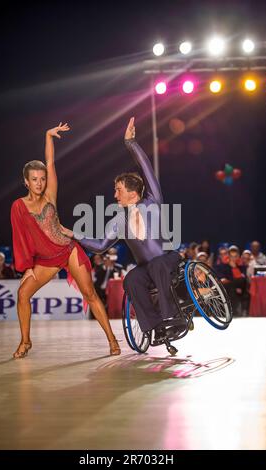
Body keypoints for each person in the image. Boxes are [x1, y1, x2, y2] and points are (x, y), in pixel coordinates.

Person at [10, 122, 120, 358]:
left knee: (90, 294)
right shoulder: (19, 207)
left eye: (42, 178)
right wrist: (26, 268)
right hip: (45, 260)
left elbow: (50, 162)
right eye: (34, 179)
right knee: (22, 295)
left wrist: (47, 135)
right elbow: (20, 238)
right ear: (26, 182)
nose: (39, 183)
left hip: (68, 251)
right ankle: (25, 341)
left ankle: (112, 340)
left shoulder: (50, 194)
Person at [73, 117, 186, 340]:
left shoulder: (152, 201)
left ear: (132, 192)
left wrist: (130, 143)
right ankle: (155, 326)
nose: (115, 195)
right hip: (148, 268)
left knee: (157, 264)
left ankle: (174, 317)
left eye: (118, 190)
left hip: (167, 260)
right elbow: (99, 246)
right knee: (131, 279)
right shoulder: (118, 220)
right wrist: (72, 234)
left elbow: (146, 168)